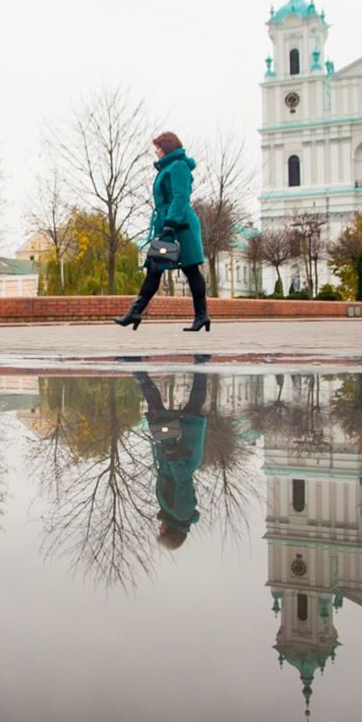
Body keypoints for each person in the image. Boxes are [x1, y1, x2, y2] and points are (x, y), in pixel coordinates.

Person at [115, 131, 209, 332]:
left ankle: (201, 316)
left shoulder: (178, 167)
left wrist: (170, 224)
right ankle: (135, 311)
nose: (156, 152)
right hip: (169, 224)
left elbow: (180, 196)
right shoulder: (169, 167)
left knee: (191, 270)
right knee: (155, 267)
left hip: (179, 225)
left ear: (167, 148)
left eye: (158, 148)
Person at [135, 371, 208, 551]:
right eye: (162, 532)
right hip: (180, 452)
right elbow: (183, 482)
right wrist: (172, 454)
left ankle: (139, 372)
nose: (159, 528)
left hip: (172, 452)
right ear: (171, 532)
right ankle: (201, 367)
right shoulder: (181, 513)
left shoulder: (171, 513)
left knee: (158, 410)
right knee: (188, 410)